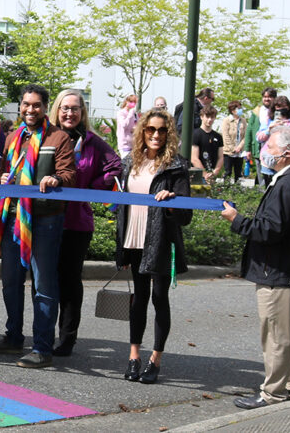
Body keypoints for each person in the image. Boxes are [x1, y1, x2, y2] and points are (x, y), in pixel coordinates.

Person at [222, 127, 290, 409]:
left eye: (271, 147)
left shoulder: (289, 183)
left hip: (279, 273)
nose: (265, 151)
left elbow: (269, 230)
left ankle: (273, 392)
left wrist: (236, 219)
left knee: (276, 335)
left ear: (287, 153)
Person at [0, 84, 76, 369]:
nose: (30, 110)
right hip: (13, 217)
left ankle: (42, 347)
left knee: (43, 285)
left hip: (45, 219)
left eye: (36, 105)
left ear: (46, 107)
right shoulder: (13, 137)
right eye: (26, 104)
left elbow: (69, 174)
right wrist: (2, 179)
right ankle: (13, 338)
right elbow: (0, 172)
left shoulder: (58, 138)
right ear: (20, 106)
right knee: (11, 282)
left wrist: (55, 180)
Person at [115, 108, 192, 385]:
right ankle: (134, 356)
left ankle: (155, 359)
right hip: (133, 238)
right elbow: (120, 203)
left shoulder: (176, 166)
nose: (156, 135)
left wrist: (171, 201)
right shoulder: (129, 162)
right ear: (142, 132)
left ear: (169, 133)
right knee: (139, 298)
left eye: (161, 130)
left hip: (159, 239)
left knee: (159, 297)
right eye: (150, 130)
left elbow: (186, 216)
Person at [49, 89, 122, 357]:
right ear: (57, 110)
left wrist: (92, 186)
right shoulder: (45, 137)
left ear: (82, 112)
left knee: (69, 282)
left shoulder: (92, 142)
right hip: (45, 219)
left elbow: (116, 167)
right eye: (65, 108)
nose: (69, 113)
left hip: (76, 223)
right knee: (45, 281)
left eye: (75, 108)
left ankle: (66, 338)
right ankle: (42, 334)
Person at [257, 96, 290, 186]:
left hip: (285, 161)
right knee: (269, 188)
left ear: (288, 107)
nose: (281, 110)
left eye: (283, 107)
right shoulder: (268, 120)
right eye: (278, 108)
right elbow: (258, 138)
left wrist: (286, 129)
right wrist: (269, 130)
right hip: (269, 160)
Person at [191, 106, 224, 183]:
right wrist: (205, 174)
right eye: (207, 117)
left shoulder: (218, 136)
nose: (210, 120)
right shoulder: (195, 134)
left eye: (212, 117)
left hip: (212, 175)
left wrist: (215, 172)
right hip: (198, 175)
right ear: (201, 117)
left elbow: (221, 157)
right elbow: (194, 158)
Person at [220, 100, 247, 183]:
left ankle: (237, 189)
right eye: (238, 108)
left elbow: (246, 136)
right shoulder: (226, 120)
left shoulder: (243, 121)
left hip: (239, 152)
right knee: (228, 172)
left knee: (238, 173)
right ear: (232, 110)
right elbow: (225, 136)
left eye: (240, 108)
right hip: (228, 152)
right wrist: (233, 148)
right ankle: (225, 189)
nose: (240, 110)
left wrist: (240, 147)